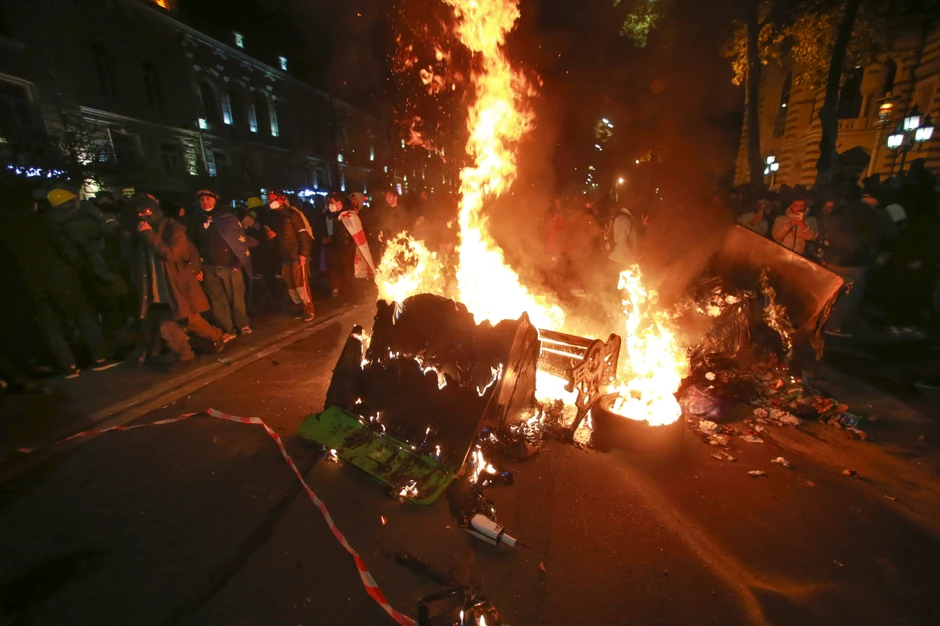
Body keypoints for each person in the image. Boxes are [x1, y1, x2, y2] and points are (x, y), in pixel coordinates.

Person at [2, 195, 120, 379]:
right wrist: (79, 267)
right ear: (33, 205)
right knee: (85, 315)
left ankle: (69, 366)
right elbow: (64, 247)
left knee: (51, 326)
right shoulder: (44, 222)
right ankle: (100, 358)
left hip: (33, 285)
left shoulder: (7, 230)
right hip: (62, 278)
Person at [134, 193, 224, 370]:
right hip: (157, 288)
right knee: (166, 326)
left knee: (191, 320)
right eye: (139, 213)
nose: (143, 217)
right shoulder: (142, 232)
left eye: (146, 212)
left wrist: (149, 235)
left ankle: (216, 336)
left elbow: (172, 254)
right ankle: (185, 355)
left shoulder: (173, 229)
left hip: (177, 286)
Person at [189, 190, 252, 341]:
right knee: (217, 300)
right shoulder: (197, 220)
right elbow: (193, 246)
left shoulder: (228, 218)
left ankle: (242, 324)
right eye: (202, 199)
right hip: (209, 267)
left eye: (208, 198)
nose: (205, 202)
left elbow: (240, 241)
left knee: (236, 297)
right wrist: (197, 266)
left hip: (229, 266)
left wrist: (238, 264)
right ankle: (228, 329)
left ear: (216, 199)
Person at [263, 191, 315, 321]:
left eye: (272, 199)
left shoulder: (293, 215)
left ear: (282, 199)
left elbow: (304, 235)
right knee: (291, 286)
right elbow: (272, 238)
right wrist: (270, 238)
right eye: (268, 200)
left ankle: (309, 309)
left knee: (301, 284)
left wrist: (304, 253)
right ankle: (298, 307)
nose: (270, 202)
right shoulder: (272, 217)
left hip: (296, 255)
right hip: (284, 256)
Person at [327, 191, 376, 304]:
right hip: (343, 250)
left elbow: (355, 235)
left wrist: (349, 250)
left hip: (351, 251)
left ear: (339, 203)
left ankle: (359, 297)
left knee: (354, 276)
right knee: (348, 276)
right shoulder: (339, 216)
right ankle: (353, 297)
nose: (330, 205)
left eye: (332, 202)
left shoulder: (350, 215)